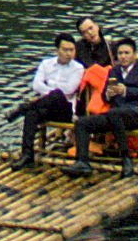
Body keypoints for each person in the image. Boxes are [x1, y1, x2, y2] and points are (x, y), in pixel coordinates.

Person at [77, 35, 138, 170]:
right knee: (81, 123)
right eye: (120, 53)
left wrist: (126, 91)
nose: (123, 56)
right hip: (114, 114)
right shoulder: (114, 70)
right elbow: (104, 96)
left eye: (127, 53)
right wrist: (108, 95)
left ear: (134, 54)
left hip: (135, 114)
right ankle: (82, 162)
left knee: (114, 113)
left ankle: (126, 157)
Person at [11, 35, 87, 173]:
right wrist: (55, 89)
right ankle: (27, 154)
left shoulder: (78, 68)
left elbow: (69, 89)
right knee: (32, 113)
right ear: (57, 50)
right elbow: (36, 85)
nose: (69, 53)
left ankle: (22, 108)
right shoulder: (46, 64)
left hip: (66, 110)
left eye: (72, 50)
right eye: (65, 49)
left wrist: (50, 85)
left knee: (57, 95)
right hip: (46, 107)